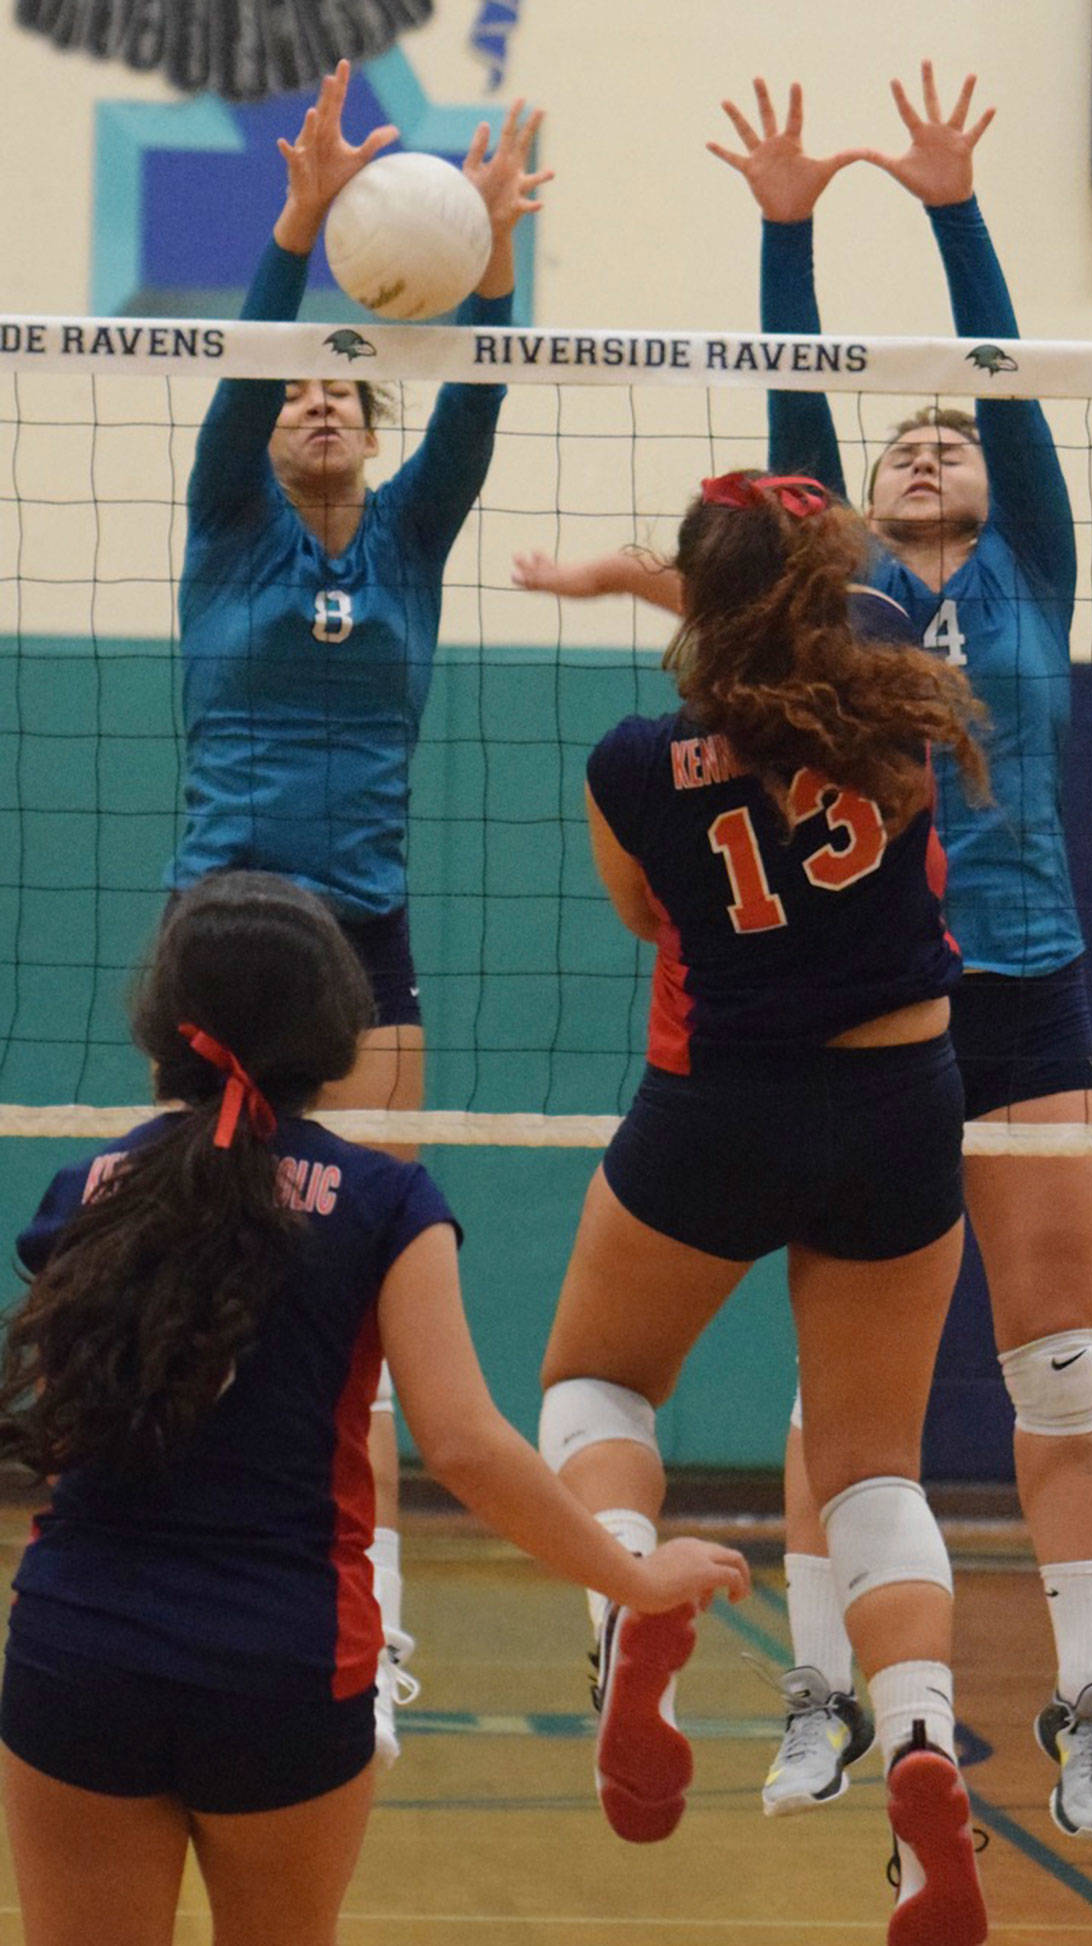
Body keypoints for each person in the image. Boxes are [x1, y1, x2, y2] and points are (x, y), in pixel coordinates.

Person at [515, 63, 1092, 1847]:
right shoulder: (849, 621)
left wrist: (952, 208)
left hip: (1019, 998)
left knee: (1055, 1369)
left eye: (953, 435)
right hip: (901, 1031)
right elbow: (781, 467)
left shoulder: (1025, 576)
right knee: (847, 1413)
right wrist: (789, 235)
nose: (930, 444)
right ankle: (833, 1705)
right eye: (897, 443)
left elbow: (997, 408)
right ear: (841, 521)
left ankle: (1085, 1707)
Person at [0, 872, 749, 1946]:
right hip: (284, 1666)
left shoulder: (84, 1192)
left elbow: (66, 1431)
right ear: (336, 1032)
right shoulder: (387, 1201)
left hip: (81, 1655)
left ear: (164, 1021)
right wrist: (631, 1578)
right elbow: (461, 1442)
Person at [535, 469, 991, 1944]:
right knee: (871, 1469)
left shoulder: (630, 761)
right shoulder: (906, 705)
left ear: (700, 588)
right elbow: (803, 628)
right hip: (901, 1104)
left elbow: (640, 917)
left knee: (598, 1379)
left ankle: (624, 1620)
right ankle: (922, 1746)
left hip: (722, 1108)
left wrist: (626, 590)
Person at [174, 59, 551, 1759]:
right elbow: (250, 364)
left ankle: (371, 1624)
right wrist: (298, 231)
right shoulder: (229, 530)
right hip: (230, 932)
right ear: (266, 432)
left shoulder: (405, 547)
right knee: (220, 1271)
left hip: (370, 944)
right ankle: (203, 1579)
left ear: (375, 428)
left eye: (347, 392)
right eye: (298, 395)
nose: (323, 403)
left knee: (363, 1287)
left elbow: (473, 403)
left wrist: (497, 261)